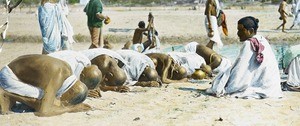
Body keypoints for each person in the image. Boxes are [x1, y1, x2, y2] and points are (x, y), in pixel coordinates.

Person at [206, 16, 283, 99]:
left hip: (264, 87)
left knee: (222, 82)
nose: (238, 33)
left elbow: (239, 72)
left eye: (240, 30)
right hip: (272, 87)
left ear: (250, 31)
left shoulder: (248, 44)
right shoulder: (262, 39)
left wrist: (226, 85)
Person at [0, 54, 102, 116]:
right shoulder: (58, 75)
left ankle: (10, 95)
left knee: (52, 102)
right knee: (43, 102)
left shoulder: (68, 71)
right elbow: (44, 112)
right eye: (67, 100)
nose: (65, 101)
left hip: (17, 72)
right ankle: (6, 94)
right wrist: (71, 108)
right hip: (9, 76)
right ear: (71, 91)